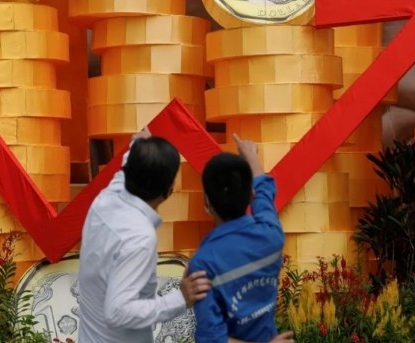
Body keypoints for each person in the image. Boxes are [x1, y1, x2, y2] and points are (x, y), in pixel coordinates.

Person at [78, 128, 211, 342]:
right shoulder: (139, 238)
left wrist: (137, 145)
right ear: (169, 190)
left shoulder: (106, 198)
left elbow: (125, 168)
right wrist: (180, 299)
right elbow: (118, 312)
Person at [189, 134, 294, 343]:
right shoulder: (271, 235)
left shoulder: (202, 265)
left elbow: (211, 339)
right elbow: (264, 192)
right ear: (250, 196)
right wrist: (251, 155)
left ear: (206, 203)